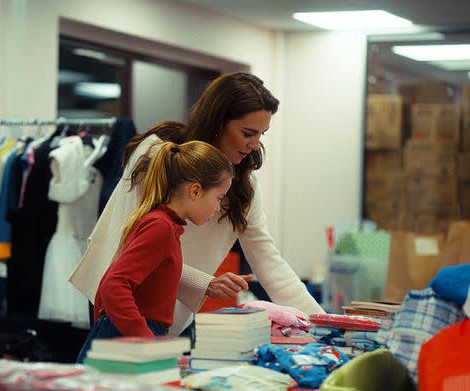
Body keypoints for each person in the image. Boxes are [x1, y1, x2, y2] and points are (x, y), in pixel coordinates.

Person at [70, 71, 325, 339]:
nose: (254, 144)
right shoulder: (158, 154)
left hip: (170, 308)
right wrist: (206, 283)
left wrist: (321, 322)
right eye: (247, 133)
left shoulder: (243, 183)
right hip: (122, 300)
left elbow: (267, 258)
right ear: (218, 122)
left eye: (261, 134)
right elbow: (131, 245)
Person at [76, 140, 234, 362]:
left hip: (125, 337)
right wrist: (146, 342)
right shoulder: (160, 227)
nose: (218, 207)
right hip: (125, 343)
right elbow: (113, 285)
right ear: (195, 190)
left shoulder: (165, 225)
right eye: (218, 198)